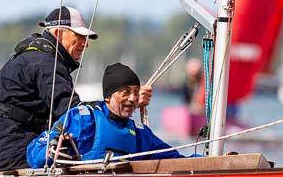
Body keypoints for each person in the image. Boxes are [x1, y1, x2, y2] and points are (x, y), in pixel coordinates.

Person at [0, 6, 152, 173]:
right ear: (59, 33)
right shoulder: (46, 63)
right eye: (80, 37)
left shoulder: (37, 57)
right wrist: (129, 102)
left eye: (86, 39)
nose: (85, 44)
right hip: (10, 152)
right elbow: (74, 112)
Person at [27, 63, 181, 168]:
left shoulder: (140, 133)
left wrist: (204, 158)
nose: (133, 98)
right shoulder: (82, 119)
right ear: (108, 96)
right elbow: (34, 151)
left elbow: (174, 159)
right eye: (126, 92)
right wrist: (51, 152)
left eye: (136, 91)